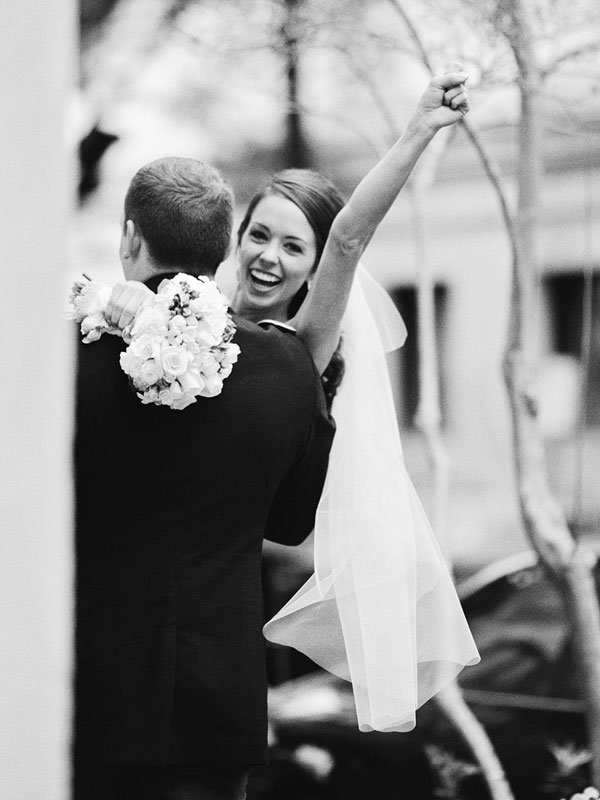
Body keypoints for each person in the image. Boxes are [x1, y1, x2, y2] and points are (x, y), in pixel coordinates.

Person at [106, 68, 480, 735]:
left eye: (292, 245)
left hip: (203, 642)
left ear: (315, 267)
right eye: (258, 234)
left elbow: (350, 238)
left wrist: (419, 131)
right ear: (232, 237)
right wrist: (129, 304)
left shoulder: (297, 353)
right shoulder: (180, 311)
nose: (268, 258)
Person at [74, 156, 336, 800]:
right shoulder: (289, 369)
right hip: (218, 701)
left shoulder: (70, 359)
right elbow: (292, 520)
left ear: (131, 237)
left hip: (92, 694)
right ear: (225, 249)